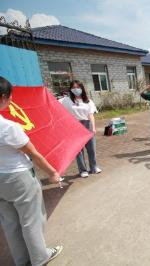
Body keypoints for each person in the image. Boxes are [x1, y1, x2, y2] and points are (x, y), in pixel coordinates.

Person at [0, 76, 63, 266]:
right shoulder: (8, 127)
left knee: (10, 223)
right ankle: (39, 257)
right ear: (3, 97)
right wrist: (53, 173)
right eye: (10, 97)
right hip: (18, 178)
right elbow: (34, 154)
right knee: (31, 220)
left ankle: (22, 260)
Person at [60, 80, 101, 178]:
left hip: (87, 124)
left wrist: (93, 127)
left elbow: (91, 115)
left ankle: (94, 167)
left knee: (91, 149)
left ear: (82, 88)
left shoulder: (88, 101)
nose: (76, 89)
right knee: (78, 150)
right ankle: (82, 170)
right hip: (74, 126)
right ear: (70, 89)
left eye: (78, 87)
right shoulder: (66, 100)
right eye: (73, 87)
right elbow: (55, 106)